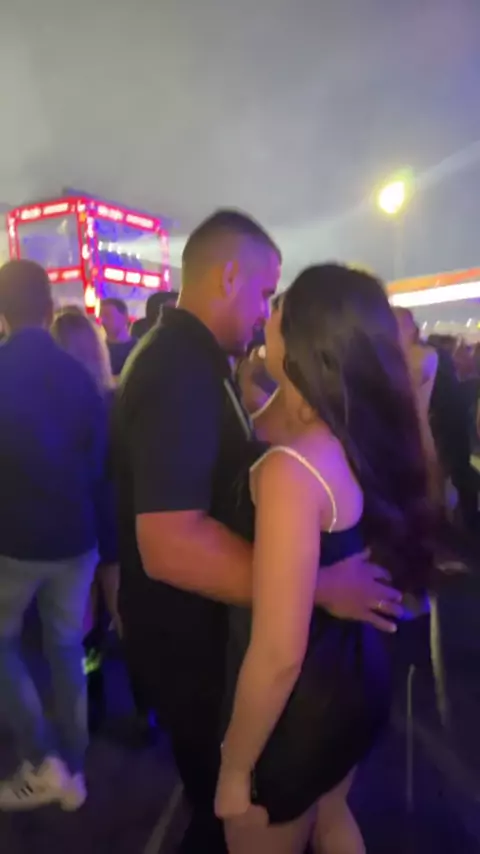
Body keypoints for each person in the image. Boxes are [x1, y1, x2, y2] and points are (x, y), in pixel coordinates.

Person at [113, 212, 403, 854]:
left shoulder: (204, 363)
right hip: (195, 648)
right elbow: (169, 543)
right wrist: (314, 587)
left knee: (253, 815)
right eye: (266, 294)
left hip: (257, 661)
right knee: (253, 815)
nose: (266, 313)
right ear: (228, 276)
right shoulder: (177, 370)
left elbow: (256, 444)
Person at [215, 266, 435, 854]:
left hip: (296, 709)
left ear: (303, 340)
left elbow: (278, 654)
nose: (265, 318)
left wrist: (235, 767)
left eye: (277, 311)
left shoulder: (292, 470)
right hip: (356, 678)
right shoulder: (364, 434)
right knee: (333, 815)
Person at [0, 260, 110, 810]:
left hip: (15, 539)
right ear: (48, 309)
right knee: (66, 648)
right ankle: (74, 767)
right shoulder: (77, 374)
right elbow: (98, 457)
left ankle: (44, 761)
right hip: (77, 537)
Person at [100, 297, 136, 376]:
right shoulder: (98, 350)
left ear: (124, 317)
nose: (103, 321)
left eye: (108, 316)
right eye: (102, 317)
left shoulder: (138, 348)